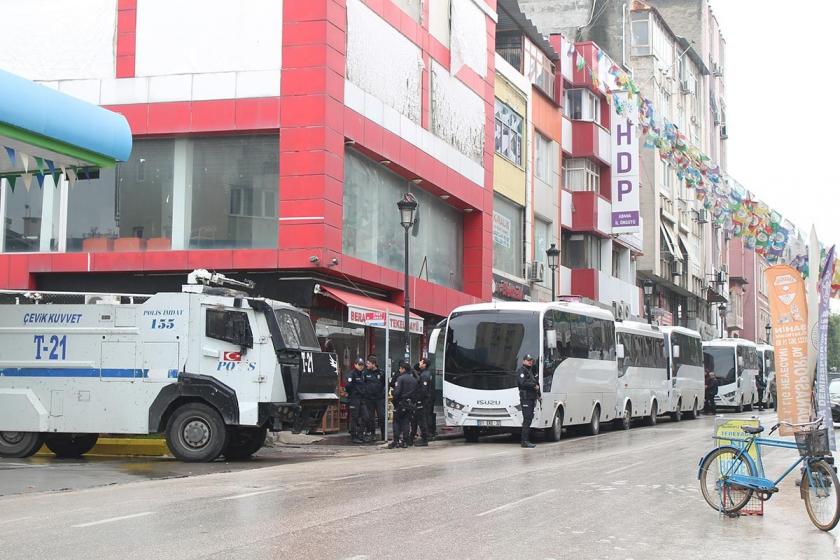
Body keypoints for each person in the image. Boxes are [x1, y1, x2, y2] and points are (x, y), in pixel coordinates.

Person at [389, 361, 419, 449]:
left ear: (403, 369)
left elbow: (397, 392)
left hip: (400, 403)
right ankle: (405, 441)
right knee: (406, 422)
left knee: (397, 422)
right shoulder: (413, 379)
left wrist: (394, 399)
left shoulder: (400, 378)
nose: (399, 370)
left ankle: (396, 440)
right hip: (410, 404)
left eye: (400, 368)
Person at [517, 354, 540, 448]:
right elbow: (522, 382)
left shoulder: (531, 371)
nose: (530, 362)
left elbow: (536, 383)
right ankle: (524, 441)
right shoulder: (522, 371)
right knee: (527, 420)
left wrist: (539, 395)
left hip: (531, 398)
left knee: (529, 419)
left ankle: (526, 440)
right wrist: (533, 385)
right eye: (528, 360)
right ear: (523, 361)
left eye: (531, 360)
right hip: (526, 399)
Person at [345, 357, 368, 444]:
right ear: (355, 365)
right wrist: (354, 392)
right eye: (359, 365)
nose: (361, 366)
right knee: (354, 418)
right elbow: (348, 386)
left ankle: (360, 434)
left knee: (366, 417)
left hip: (362, 399)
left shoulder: (363, 374)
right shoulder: (352, 374)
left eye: (362, 365)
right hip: (354, 398)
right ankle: (354, 436)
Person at [409, 358, 432, 447]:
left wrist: (419, 401)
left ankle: (424, 439)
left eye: (421, 362)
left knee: (421, 420)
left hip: (422, 401)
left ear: (424, 364)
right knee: (415, 420)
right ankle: (411, 438)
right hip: (421, 401)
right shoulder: (423, 373)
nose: (419, 363)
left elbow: (423, 390)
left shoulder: (425, 375)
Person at [362, 355, 385, 442]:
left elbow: (386, 384)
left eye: (368, 363)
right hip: (369, 399)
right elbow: (363, 385)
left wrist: (383, 394)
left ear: (374, 364)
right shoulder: (365, 373)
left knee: (382, 416)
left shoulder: (381, 373)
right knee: (370, 417)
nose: (367, 365)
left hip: (380, 399)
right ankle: (372, 434)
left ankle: (384, 435)